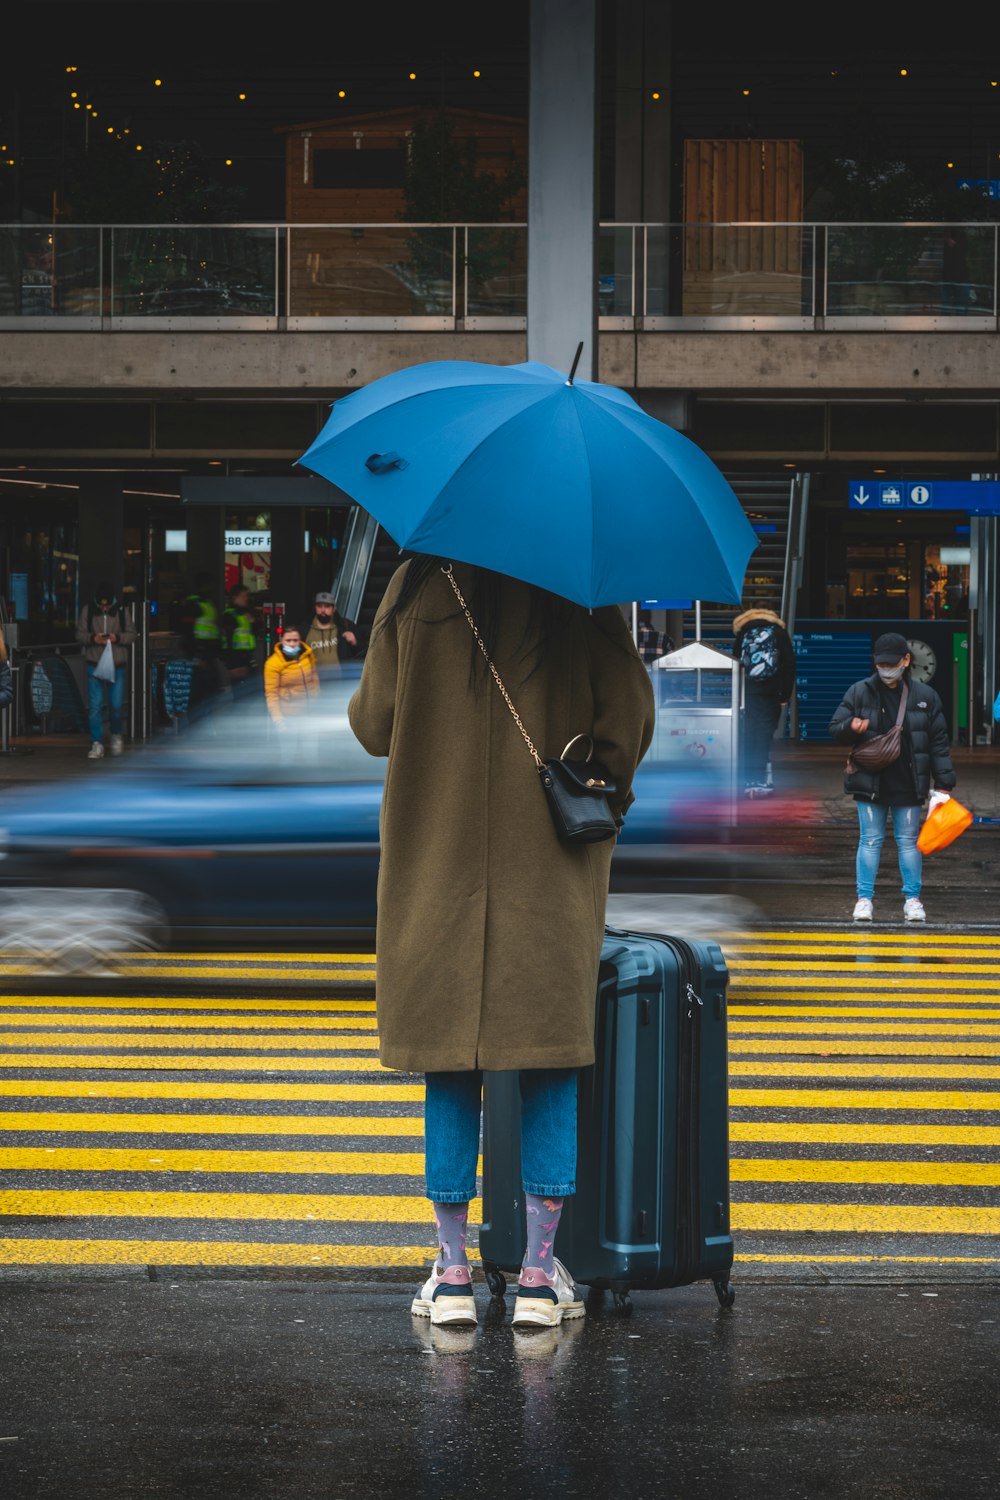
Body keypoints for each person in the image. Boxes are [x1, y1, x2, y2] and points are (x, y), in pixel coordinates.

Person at [348, 557, 655, 1329]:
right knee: (551, 1060)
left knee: (448, 1062)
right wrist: (598, 787)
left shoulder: (420, 581)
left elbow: (373, 725)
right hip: (547, 867)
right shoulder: (583, 584)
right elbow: (627, 719)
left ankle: (452, 1276)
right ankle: (538, 1279)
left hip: (433, 865)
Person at [829, 631, 957, 924]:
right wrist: (852, 726)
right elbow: (835, 727)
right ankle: (864, 900)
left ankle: (913, 900)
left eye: (891, 662)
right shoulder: (859, 691)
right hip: (869, 781)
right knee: (870, 840)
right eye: (880, 663)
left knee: (908, 842)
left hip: (909, 782)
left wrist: (944, 783)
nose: (885, 668)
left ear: (906, 660)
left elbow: (938, 743)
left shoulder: (925, 697)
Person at [732, 604, 796, 795]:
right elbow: (788, 665)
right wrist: (785, 695)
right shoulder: (779, 632)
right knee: (764, 735)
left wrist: (737, 693)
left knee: (749, 734)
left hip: (748, 692)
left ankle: (747, 779)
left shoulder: (743, 633)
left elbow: (735, 663)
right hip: (772, 693)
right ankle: (760, 780)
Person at [74, 580, 137, 760]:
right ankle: (97, 742)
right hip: (95, 662)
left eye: (107, 604)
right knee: (95, 706)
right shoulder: (88, 610)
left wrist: (116, 637)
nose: (104, 607)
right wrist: (94, 638)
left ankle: (116, 734)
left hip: (117, 664)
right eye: (102, 604)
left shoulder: (122, 611)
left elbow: (132, 634)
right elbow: (79, 634)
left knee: (116, 705)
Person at [263, 624, 320, 763]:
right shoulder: (273, 664)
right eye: (288, 640)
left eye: (295, 640)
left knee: (311, 754)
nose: (293, 644)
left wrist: (317, 700)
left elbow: (314, 678)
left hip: (309, 713)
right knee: (288, 754)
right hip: (288, 716)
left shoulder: (306, 655)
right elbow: (271, 694)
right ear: (281, 641)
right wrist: (278, 720)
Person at [179, 571, 227, 721]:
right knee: (198, 691)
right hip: (199, 653)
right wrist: (194, 655)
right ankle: (194, 724)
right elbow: (187, 631)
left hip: (209, 653)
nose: (212, 587)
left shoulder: (208, 603)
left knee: (210, 690)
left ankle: (203, 723)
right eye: (210, 584)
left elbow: (213, 628)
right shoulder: (193, 603)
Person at [305, 591, 360, 675]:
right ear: (315, 608)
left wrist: (355, 642)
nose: (323, 610)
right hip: (315, 684)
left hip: (341, 684)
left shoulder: (346, 626)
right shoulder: (305, 630)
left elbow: (363, 654)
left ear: (334, 608)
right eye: (319, 606)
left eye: (327, 606)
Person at [221, 584, 259, 700]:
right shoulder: (230, 615)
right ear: (235, 598)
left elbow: (252, 635)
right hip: (236, 660)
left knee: (249, 694)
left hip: (246, 658)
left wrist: (253, 622)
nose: (246, 599)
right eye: (244, 596)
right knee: (240, 695)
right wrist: (232, 665)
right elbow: (227, 641)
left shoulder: (244, 614)